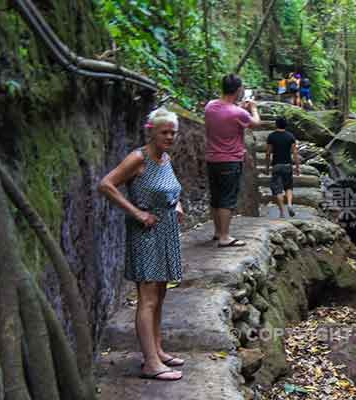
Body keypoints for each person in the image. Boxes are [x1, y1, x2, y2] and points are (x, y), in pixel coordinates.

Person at [98, 107, 185, 381]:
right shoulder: (139, 158)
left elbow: (170, 189)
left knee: (160, 294)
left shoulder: (165, 157)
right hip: (146, 234)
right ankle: (150, 363)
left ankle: (157, 350)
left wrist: (178, 204)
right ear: (152, 132)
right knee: (147, 299)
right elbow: (106, 184)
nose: (170, 137)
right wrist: (136, 212)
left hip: (166, 231)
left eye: (173, 132)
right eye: (164, 132)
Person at [205, 74, 260, 247]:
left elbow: (226, 112)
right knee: (227, 199)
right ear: (238, 90)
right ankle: (224, 236)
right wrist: (253, 108)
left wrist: (240, 108)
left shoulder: (210, 106)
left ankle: (217, 232)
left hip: (212, 158)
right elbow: (256, 124)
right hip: (230, 160)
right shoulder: (238, 113)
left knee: (216, 197)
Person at [266, 116, 300, 218]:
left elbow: (268, 153)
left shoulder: (271, 136)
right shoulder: (290, 136)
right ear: (286, 125)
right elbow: (295, 153)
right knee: (288, 186)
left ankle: (282, 212)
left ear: (276, 124)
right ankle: (289, 204)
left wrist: (267, 167)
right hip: (287, 165)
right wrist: (297, 167)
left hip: (276, 165)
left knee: (277, 189)